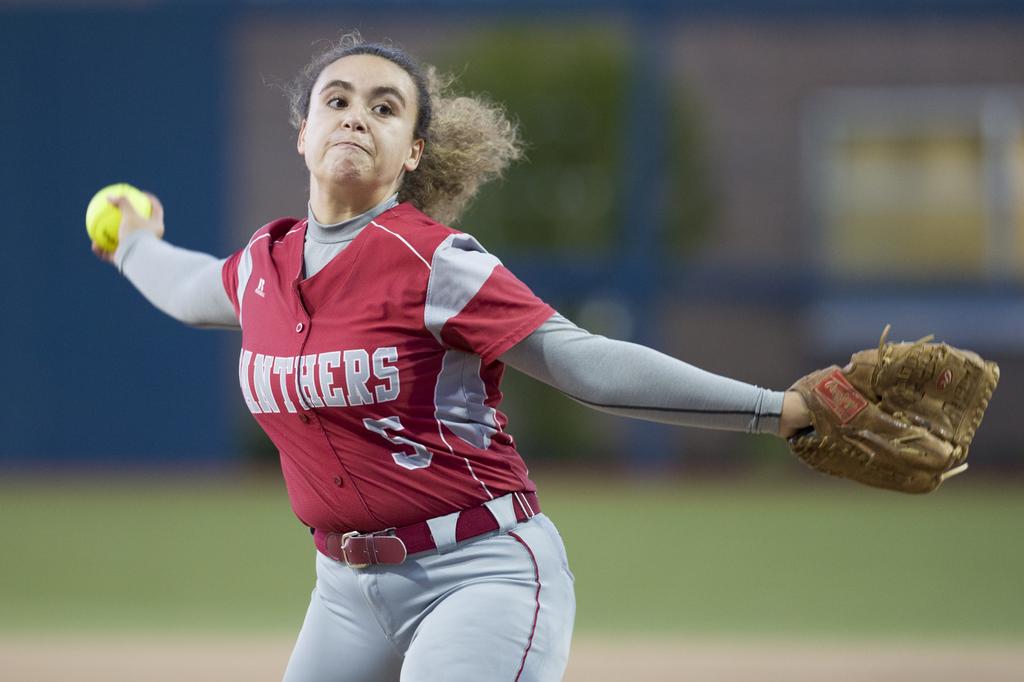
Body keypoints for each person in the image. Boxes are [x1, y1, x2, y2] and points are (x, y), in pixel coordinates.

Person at [92, 32, 810, 682]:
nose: (355, 116)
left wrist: (781, 412)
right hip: (345, 593)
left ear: (412, 152)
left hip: (482, 574)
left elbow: (582, 363)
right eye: (336, 100)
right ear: (303, 133)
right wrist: (131, 241)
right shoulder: (261, 268)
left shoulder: (435, 263)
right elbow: (189, 290)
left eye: (384, 108)